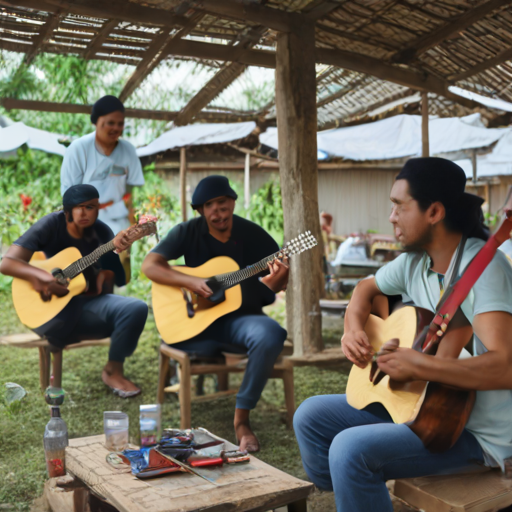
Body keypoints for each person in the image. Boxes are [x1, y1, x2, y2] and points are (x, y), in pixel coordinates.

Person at [293, 157, 512, 512]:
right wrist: (351, 330)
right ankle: (358, 491)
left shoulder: (486, 271)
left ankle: (359, 479)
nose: (391, 217)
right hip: (417, 406)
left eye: (399, 206)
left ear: (434, 212)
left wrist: (418, 367)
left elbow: (505, 367)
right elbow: (364, 290)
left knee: (350, 450)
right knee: (311, 416)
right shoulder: (414, 263)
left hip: (471, 433)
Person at [142, 175, 289, 452]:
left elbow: (275, 286)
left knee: (272, 334)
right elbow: (150, 265)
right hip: (197, 323)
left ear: (232, 203)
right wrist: (190, 282)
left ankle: (242, 420)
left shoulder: (252, 234)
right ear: (200, 210)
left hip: (240, 320)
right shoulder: (188, 231)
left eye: (222, 203)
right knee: (188, 339)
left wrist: (278, 279)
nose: (217, 211)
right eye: (209, 205)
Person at [0, 185, 148, 398]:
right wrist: (45, 279)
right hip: (50, 310)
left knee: (136, 308)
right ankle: (58, 353)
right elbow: (7, 264)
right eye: (78, 207)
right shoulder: (51, 224)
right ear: (67, 210)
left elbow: (117, 281)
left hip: (86, 305)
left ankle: (113, 371)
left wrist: (120, 258)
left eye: (91, 207)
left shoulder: (104, 233)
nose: (84, 213)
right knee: (63, 321)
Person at [60, 95, 145, 282]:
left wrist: (134, 224)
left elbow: (130, 193)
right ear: (95, 122)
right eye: (110, 123)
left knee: (116, 278)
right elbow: (69, 195)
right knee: (86, 277)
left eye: (120, 124)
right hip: (87, 223)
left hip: (119, 225)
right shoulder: (78, 149)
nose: (116, 128)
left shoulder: (128, 151)